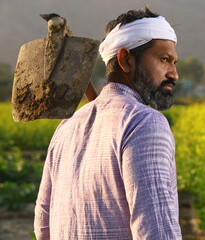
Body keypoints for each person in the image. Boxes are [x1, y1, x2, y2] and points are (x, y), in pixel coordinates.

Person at [34, 7, 182, 240]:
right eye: (164, 59)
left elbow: (43, 229)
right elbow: (157, 232)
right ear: (125, 60)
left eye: (173, 62)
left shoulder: (66, 127)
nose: (174, 74)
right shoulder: (144, 123)